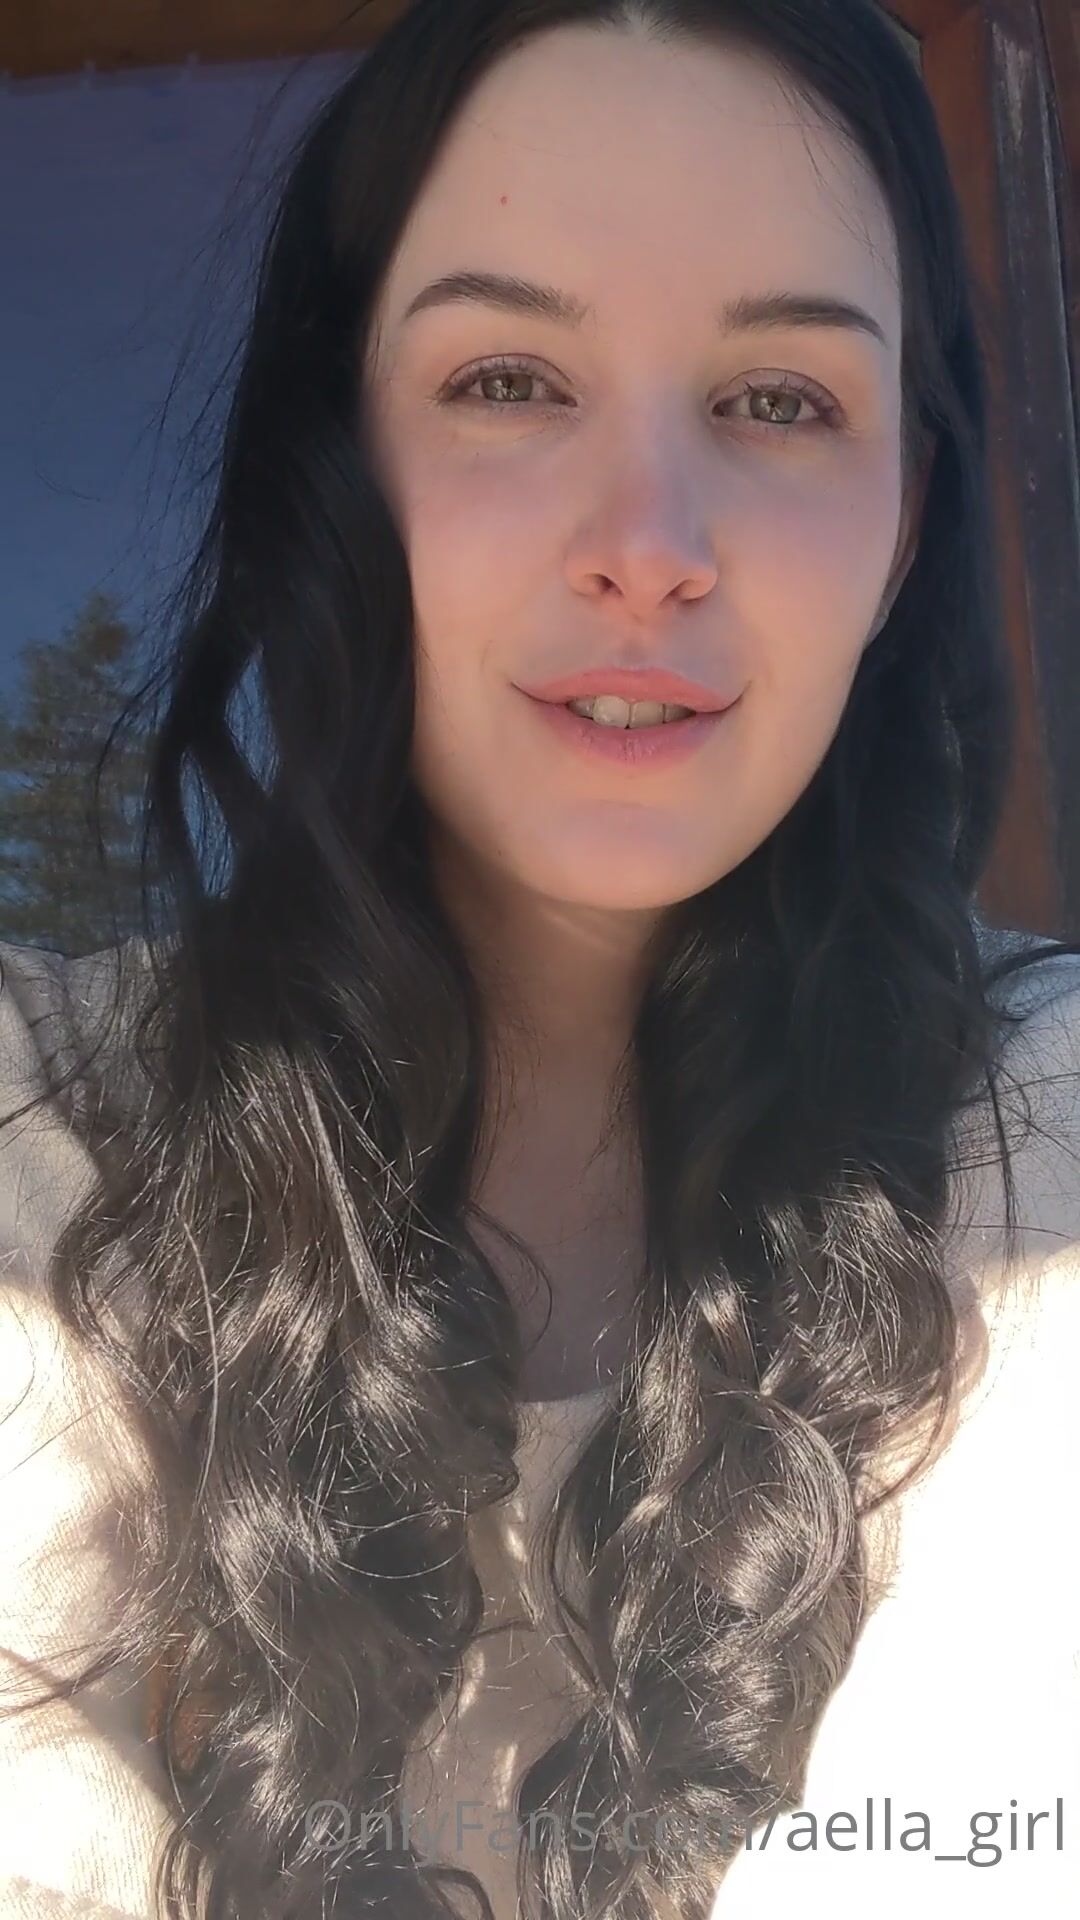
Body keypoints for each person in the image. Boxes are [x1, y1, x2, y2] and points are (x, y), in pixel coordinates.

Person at [1, 1, 1079, 1916]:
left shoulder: (1050, 1146)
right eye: (507, 380)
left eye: (781, 400)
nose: (650, 543)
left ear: (907, 525)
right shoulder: (38, 1142)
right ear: (336, 469)